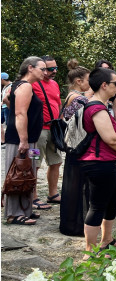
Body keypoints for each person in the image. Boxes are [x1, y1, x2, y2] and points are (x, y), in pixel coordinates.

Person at [79, 67, 116, 253]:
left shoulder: (100, 105)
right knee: (98, 205)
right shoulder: (96, 107)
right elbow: (110, 138)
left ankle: (106, 240)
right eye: (115, 83)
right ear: (104, 85)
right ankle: (90, 252)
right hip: (98, 163)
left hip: (105, 161)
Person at [3, 57, 46, 225]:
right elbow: (20, 114)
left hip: (32, 141)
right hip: (21, 141)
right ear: (30, 68)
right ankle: (14, 213)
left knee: (29, 172)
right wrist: (23, 140)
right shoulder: (25, 86)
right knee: (17, 175)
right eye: (42, 69)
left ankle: (26, 209)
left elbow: (8, 101)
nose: (45, 72)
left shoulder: (21, 86)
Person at [59, 59, 91, 236]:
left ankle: (72, 222)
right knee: (79, 188)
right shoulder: (79, 99)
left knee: (72, 187)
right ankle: (77, 224)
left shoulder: (70, 96)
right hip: (79, 148)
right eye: (87, 79)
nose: (89, 83)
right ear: (79, 81)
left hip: (73, 148)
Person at [31, 55, 63, 209]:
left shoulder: (55, 84)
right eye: (50, 69)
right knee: (34, 163)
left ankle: (53, 193)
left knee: (56, 161)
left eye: (55, 68)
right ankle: (33, 196)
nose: (54, 71)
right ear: (41, 69)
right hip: (39, 131)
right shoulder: (32, 84)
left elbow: (58, 103)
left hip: (54, 130)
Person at [94, 60, 116, 131]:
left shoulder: (113, 83)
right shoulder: (94, 84)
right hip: (100, 117)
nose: (107, 70)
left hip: (111, 116)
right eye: (104, 68)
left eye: (108, 68)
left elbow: (115, 107)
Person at [1, 72, 11, 147]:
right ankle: (4, 140)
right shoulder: (4, 87)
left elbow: (5, 98)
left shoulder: (11, 86)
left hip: (7, 108)